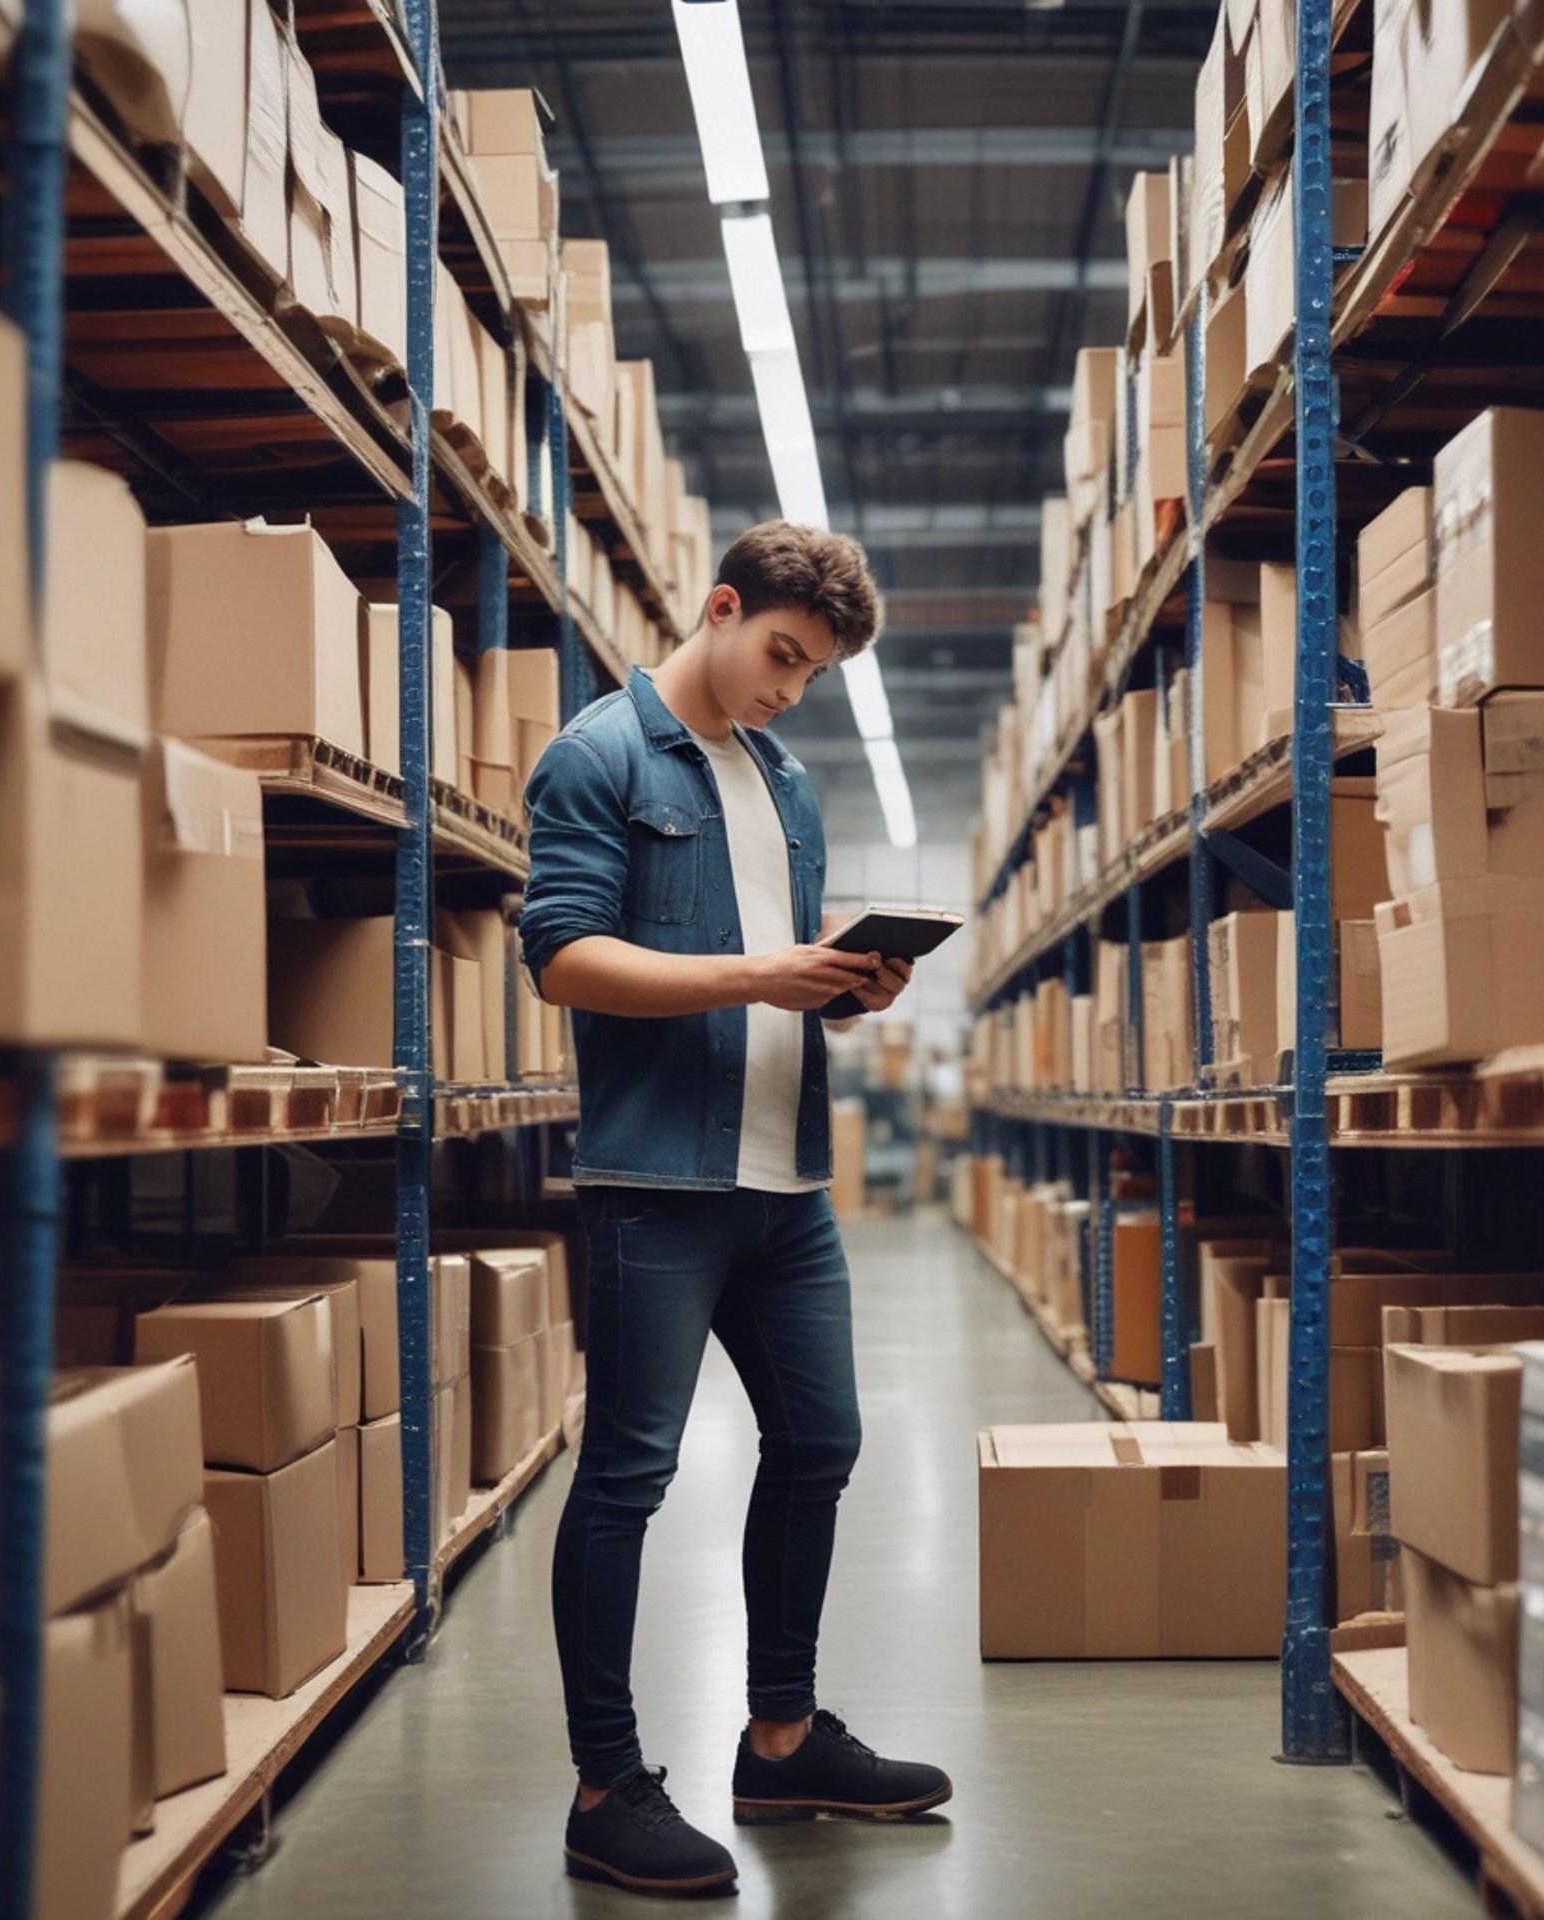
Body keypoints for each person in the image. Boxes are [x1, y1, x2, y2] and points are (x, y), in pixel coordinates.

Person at [520, 522, 953, 1899]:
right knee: (627, 1481)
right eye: (780, 655)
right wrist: (751, 976)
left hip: (787, 1183)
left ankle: (779, 1739)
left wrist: (847, 981)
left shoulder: (786, 781)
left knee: (821, 1441)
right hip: (661, 1183)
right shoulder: (597, 756)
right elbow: (565, 960)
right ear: (720, 609)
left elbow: (784, 966)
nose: (788, 688)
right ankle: (605, 1785)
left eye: (813, 674)